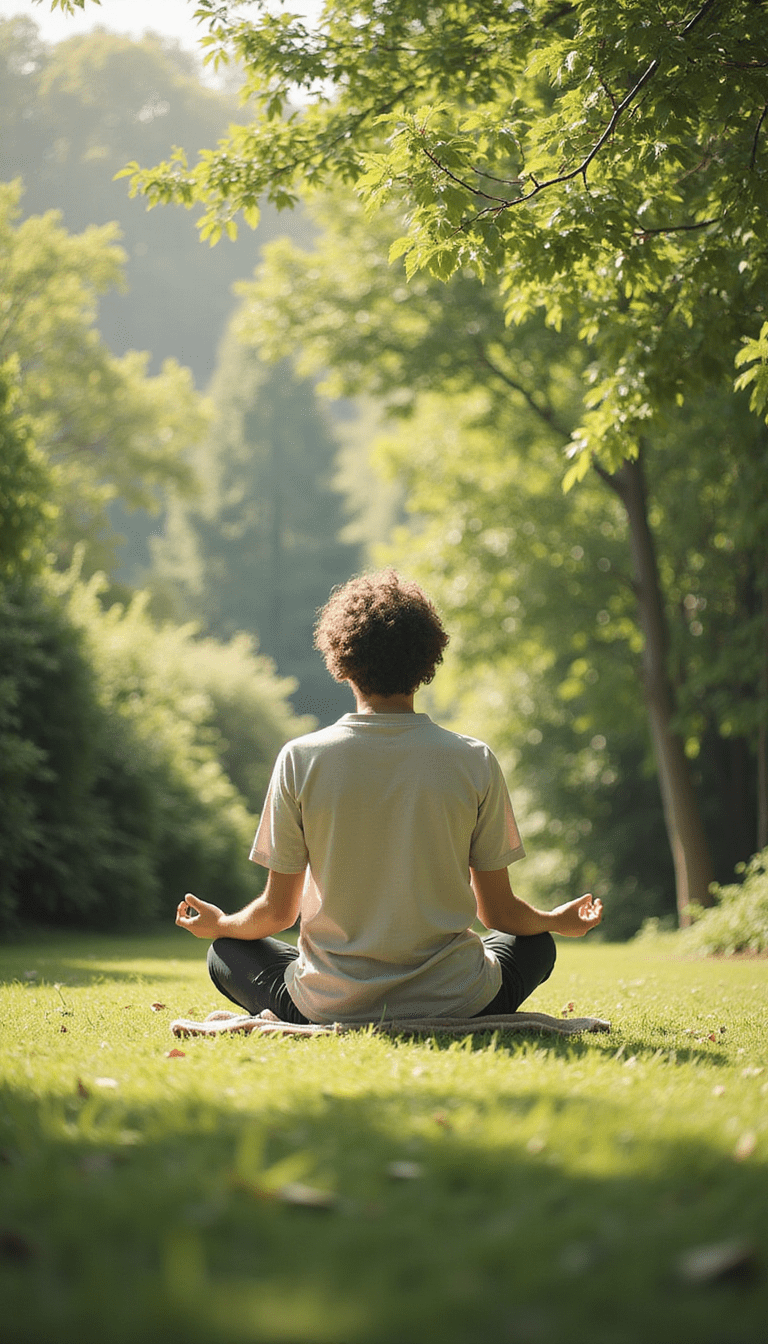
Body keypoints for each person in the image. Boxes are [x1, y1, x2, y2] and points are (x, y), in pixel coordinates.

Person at [176, 570, 603, 1024]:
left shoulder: (301, 758)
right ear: (427, 659)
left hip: (330, 1002)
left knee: (226, 952)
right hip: (458, 1000)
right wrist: (555, 919)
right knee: (534, 941)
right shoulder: (473, 759)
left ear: (340, 658)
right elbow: (498, 912)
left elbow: (277, 913)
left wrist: (219, 925)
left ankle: (326, 1001)